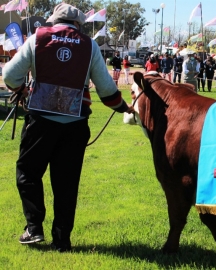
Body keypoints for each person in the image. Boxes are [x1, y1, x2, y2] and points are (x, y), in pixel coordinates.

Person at [2, 3, 133, 252]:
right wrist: (122, 107)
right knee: (66, 183)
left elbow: (9, 75)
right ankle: (62, 240)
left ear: (54, 20)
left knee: (28, 174)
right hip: (75, 126)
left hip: (40, 121)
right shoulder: (89, 45)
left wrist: (21, 89)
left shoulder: (37, 38)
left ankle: (34, 228)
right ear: (79, 24)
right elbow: (106, 89)